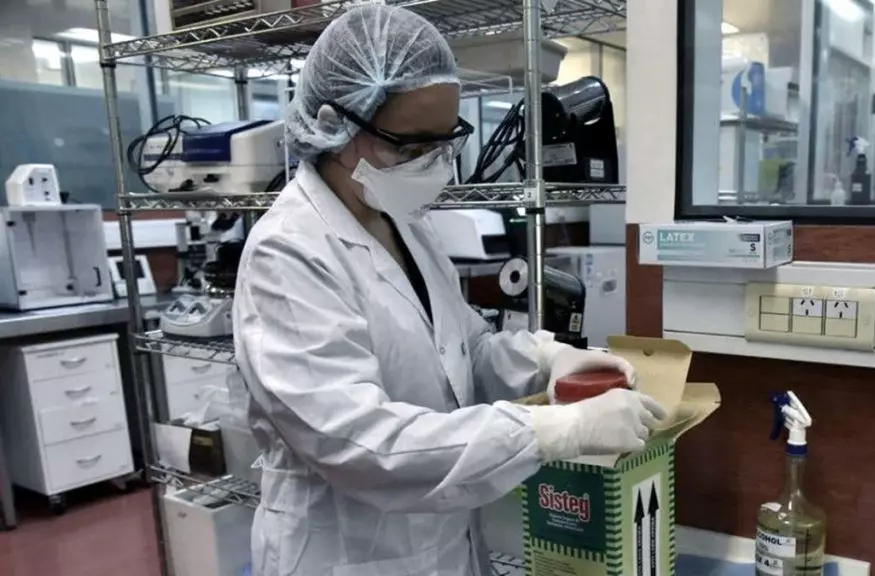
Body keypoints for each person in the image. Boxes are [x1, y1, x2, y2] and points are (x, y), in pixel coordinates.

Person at [232, 4, 667, 576]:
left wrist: (546, 360)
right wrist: (557, 430)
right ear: (334, 125)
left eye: (445, 141)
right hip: (346, 553)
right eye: (411, 148)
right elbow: (360, 445)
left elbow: (465, 349)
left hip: (442, 545)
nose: (434, 165)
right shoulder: (288, 253)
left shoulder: (405, 224)